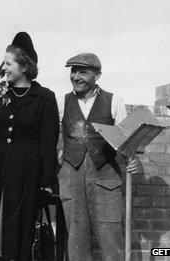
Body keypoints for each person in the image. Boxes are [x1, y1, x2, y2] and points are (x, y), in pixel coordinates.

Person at [0, 32, 60, 261]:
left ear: (24, 66)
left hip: (25, 174)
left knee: (20, 238)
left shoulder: (44, 98)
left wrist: (47, 181)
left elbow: (49, 143)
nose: (4, 68)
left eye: (9, 63)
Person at [59, 53, 140, 261]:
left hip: (106, 180)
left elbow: (126, 145)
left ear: (98, 74)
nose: (75, 77)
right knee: (76, 242)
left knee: (111, 241)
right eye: (73, 71)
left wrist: (133, 160)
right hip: (72, 181)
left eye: (82, 72)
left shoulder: (114, 102)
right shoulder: (62, 102)